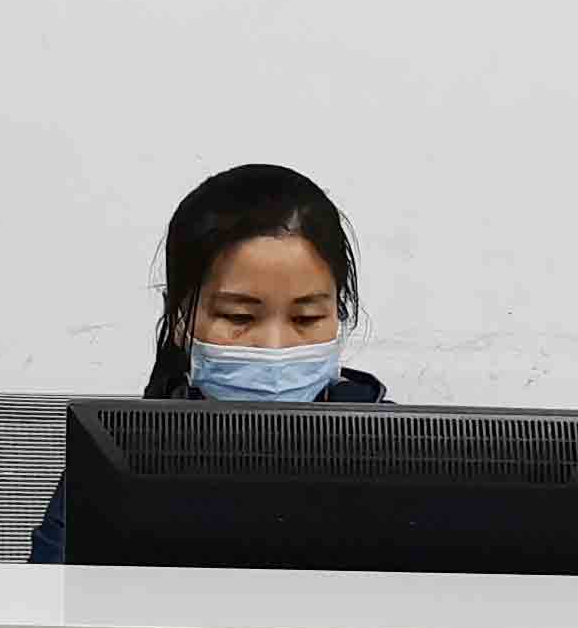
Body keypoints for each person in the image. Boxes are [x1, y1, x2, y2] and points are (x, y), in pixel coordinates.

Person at [29, 163, 386, 561]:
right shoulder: (115, 456)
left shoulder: (392, 451)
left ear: (339, 315)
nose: (274, 349)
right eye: (239, 317)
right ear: (179, 319)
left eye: (306, 318)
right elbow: (52, 591)